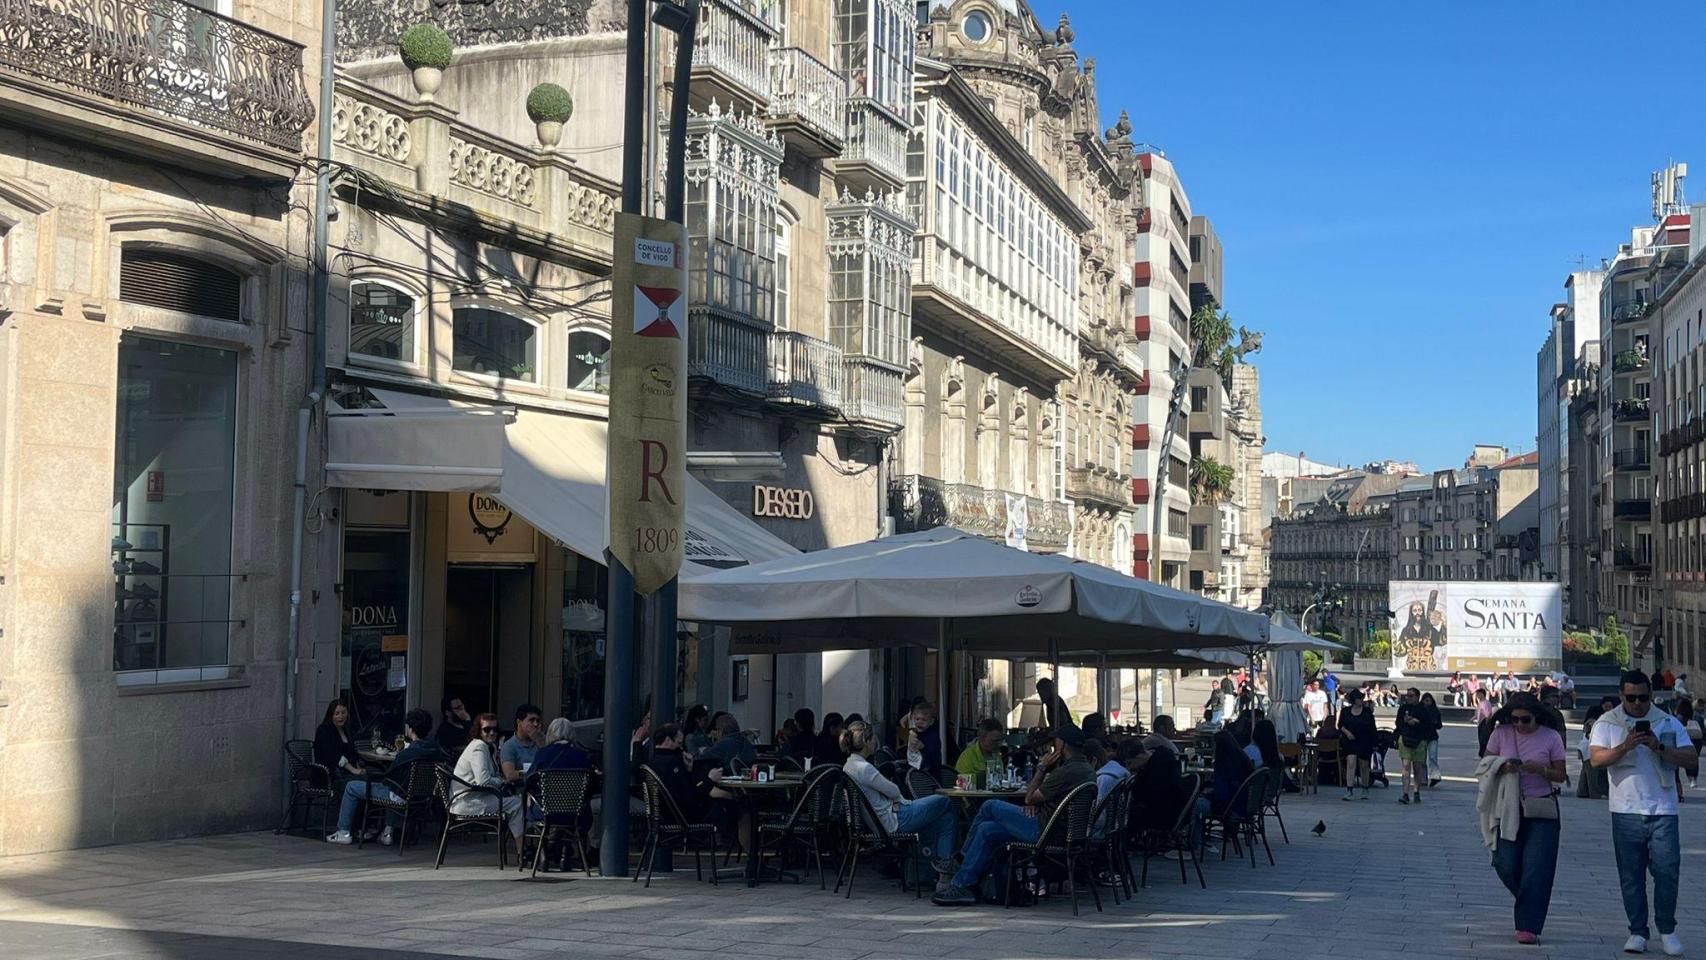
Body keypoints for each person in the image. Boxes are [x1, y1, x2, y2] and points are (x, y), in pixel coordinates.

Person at [1590, 669, 1696, 956]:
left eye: (1643, 697)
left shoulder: (1667, 722)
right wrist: (1625, 746)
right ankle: (1637, 931)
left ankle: (1667, 930)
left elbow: (1690, 758)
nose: (1637, 703)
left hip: (1663, 809)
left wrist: (1658, 746)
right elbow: (1596, 759)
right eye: (1631, 697)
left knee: (1667, 871)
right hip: (1625, 809)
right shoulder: (1607, 723)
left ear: (1651, 696)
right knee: (1631, 875)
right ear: (1621, 695)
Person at [933, 722, 1094, 906]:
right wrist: (1034, 803)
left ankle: (961, 858)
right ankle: (963, 885)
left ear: (1062, 745)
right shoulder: (1086, 769)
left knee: (990, 806)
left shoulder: (1065, 772)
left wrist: (1042, 768)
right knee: (986, 829)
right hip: (1061, 830)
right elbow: (1044, 800)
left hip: (1044, 831)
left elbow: (1029, 797)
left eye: (1055, 742)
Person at [1482, 692, 1567, 945]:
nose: (1519, 724)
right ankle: (1531, 900)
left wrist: (1540, 770)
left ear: (1536, 717)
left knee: (1537, 867)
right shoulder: (1501, 733)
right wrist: (1501, 766)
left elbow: (1561, 775)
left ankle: (1528, 925)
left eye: (1525, 720)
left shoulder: (1551, 737)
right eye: (1514, 719)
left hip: (1541, 807)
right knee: (1504, 863)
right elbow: (1485, 764)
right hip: (1507, 806)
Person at [841, 720, 959, 893]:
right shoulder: (864, 768)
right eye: (873, 739)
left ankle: (940, 877)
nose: (875, 742)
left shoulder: (849, 766)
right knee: (944, 801)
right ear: (866, 741)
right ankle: (944, 872)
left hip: (883, 820)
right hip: (895, 819)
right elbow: (894, 791)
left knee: (944, 820)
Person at [326, 707, 447, 845]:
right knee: (393, 787)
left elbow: (391, 777)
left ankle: (343, 832)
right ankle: (387, 832)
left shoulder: (408, 753)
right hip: (424, 798)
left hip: (400, 796)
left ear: (410, 729)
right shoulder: (436, 750)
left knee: (352, 786)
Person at [451, 712, 525, 858]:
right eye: (487, 729)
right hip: (468, 802)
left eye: (495, 729)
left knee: (515, 801)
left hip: (471, 798)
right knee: (517, 804)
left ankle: (523, 849)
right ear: (478, 730)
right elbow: (483, 781)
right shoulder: (479, 747)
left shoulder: (487, 746)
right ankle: (522, 852)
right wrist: (502, 781)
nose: (492, 732)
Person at [313, 699, 366, 785]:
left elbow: (352, 752)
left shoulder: (345, 730)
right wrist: (353, 770)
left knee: (369, 780)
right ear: (331, 715)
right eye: (337, 713)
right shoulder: (324, 730)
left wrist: (359, 769)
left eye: (343, 712)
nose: (341, 716)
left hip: (345, 773)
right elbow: (332, 755)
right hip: (329, 775)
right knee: (363, 785)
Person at [1394, 688, 1434, 804]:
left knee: (1417, 768)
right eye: (1407, 696)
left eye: (1411, 696)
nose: (1408, 698)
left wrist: (1416, 722)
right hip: (1405, 739)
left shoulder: (1423, 710)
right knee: (1406, 766)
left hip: (1419, 741)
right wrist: (1406, 722)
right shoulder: (1403, 708)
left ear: (1417, 697)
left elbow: (1428, 726)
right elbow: (1398, 723)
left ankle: (1416, 791)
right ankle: (1405, 793)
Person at [1338, 689, 1376, 800]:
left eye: (1361, 698)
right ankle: (1349, 789)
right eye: (1359, 698)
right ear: (1354, 700)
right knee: (1351, 762)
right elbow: (1340, 725)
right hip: (1350, 740)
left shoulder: (1367, 712)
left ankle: (1365, 787)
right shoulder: (1345, 711)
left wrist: (1374, 742)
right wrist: (1347, 732)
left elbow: (1372, 727)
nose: (1361, 700)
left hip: (1365, 740)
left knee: (1364, 765)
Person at [1209, 727, 1254, 812]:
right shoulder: (1240, 761)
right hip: (1240, 805)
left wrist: (1207, 794)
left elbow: (1220, 795)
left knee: (1194, 804)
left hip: (1226, 807)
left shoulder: (1223, 767)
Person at [499, 704, 543, 785]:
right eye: (531, 720)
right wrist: (532, 773)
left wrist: (538, 740)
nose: (535, 724)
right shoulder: (509, 746)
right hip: (520, 789)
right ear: (519, 722)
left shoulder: (542, 741)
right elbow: (509, 774)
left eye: (537, 721)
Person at [955, 718, 1006, 787]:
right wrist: (980, 778)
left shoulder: (996, 755)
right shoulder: (967, 756)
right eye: (994, 741)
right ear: (981, 738)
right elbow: (959, 781)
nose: (998, 744)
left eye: (1000, 740)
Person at [905, 699, 943, 773]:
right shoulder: (915, 734)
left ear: (931, 721)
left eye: (924, 720)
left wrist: (923, 747)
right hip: (915, 771)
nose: (920, 722)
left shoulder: (933, 737)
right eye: (917, 719)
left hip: (930, 774)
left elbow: (935, 758)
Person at [1420, 692, 1444, 788]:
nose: (1427, 703)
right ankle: (1423, 778)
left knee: (1432, 757)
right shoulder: (1419, 711)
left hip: (1432, 737)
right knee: (1421, 759)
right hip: (1422, 737)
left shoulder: (1435, 711)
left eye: (1429, 701)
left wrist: (1435, 723)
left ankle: (1435, 776)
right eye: (1425, 701)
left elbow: (1439, 725)